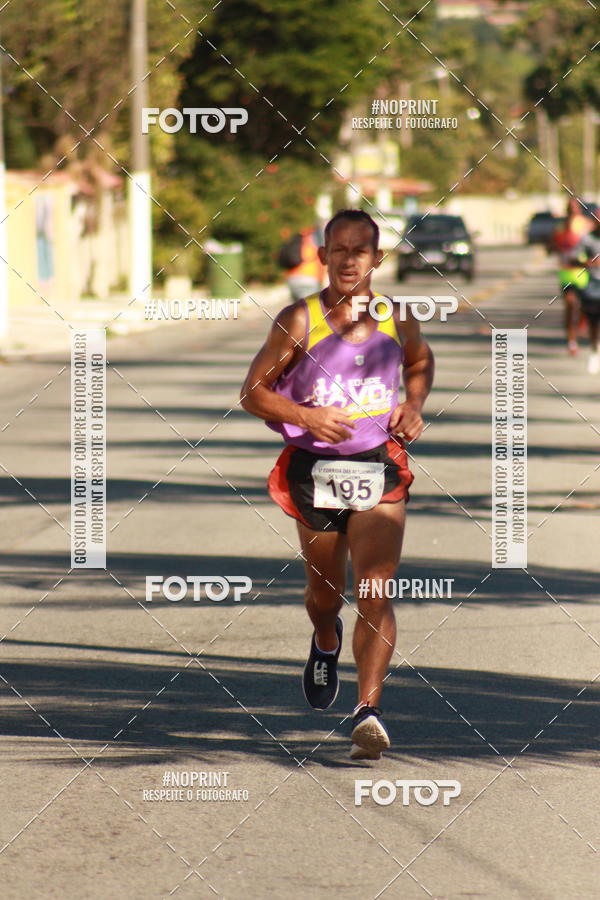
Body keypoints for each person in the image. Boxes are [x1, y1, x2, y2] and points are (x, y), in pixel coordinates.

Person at [240, 209, 434, 759]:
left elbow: (420, 361)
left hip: (377, 463)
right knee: (326, 597)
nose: (350, 260)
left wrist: (413, 403)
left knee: (375, 585)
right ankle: (325, 640)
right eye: (339, 250)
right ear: (323, 257)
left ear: (377, 258)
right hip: (314, 469)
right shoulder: (299, 320)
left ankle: (367, 710)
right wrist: (306, 417)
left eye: (361, 250)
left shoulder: (397, 317)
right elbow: (252, 392)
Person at [551, 197, 592, 355]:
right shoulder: (560, 228)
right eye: (569, 208)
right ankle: (571, 340)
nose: (572, 210)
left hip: (585, 274)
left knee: (585, 307)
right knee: (570, 305)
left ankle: (582, 324)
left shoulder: (587, 226)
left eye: (574, 208)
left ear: (579, 209)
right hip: (567, 273)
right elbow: (553, 245)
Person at [573, 216, 600, 373]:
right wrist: (587, 262)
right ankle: (594, 352)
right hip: (593, 287)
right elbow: (573, 257)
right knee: (593, 322)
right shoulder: (588, 239)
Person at [284, 226, 326, 301]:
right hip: (309, 279)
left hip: (292, 279)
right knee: (311, 311)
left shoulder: (299, 236)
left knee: (298, 310)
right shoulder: (316, 235)